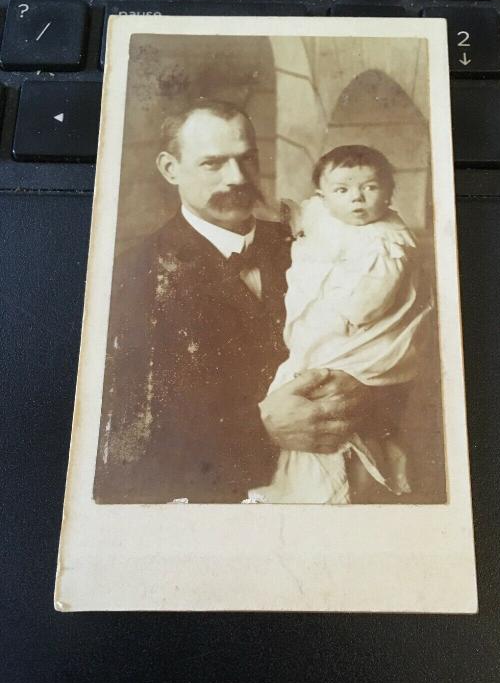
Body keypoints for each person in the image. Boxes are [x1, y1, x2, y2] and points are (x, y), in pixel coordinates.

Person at [94, 100, 373, 503]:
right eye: (213, 164)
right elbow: (120, 455)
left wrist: (365, 395)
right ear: (170, 168)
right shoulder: (129, 279)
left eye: (247, 159)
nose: (237, 177)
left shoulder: (308, 244)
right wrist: (261, 430)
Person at [247, 145, 431, 504]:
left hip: (354, 339)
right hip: (316, 332)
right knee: (296, 405)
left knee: (331, 409)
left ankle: (336, 494)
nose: (357, 199)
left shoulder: (385, 241)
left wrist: (333, 291)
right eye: (343, 190)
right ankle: (300, 487)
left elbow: (366, 304)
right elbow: (300, 215)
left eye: (370, 187)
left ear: (390, 192)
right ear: (323, 195)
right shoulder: (323, 213)